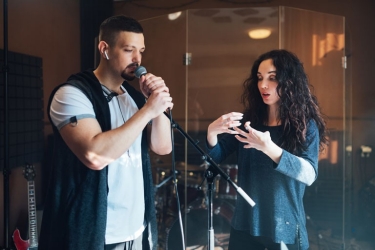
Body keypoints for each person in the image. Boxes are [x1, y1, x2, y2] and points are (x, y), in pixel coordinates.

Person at [39, 15, 173, 250]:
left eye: (140, 51)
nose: (137, 59)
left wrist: (154, 104)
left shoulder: (133, 97)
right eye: (129, 50)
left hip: (136, 231)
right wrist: (147, 110)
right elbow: (95, 156)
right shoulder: (71, 94)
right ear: (105, 49)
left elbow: (163, 148)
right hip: (95, 234)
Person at [206, 49, 328, 250]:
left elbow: (309, 174)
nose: (263, 85)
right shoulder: (249, 120)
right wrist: (211, 133)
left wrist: (269, 148)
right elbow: (216, 156)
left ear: (290, 82)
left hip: (284, 226)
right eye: (260, 78)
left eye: (272, 78)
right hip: (245, 224)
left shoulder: (305, 125)